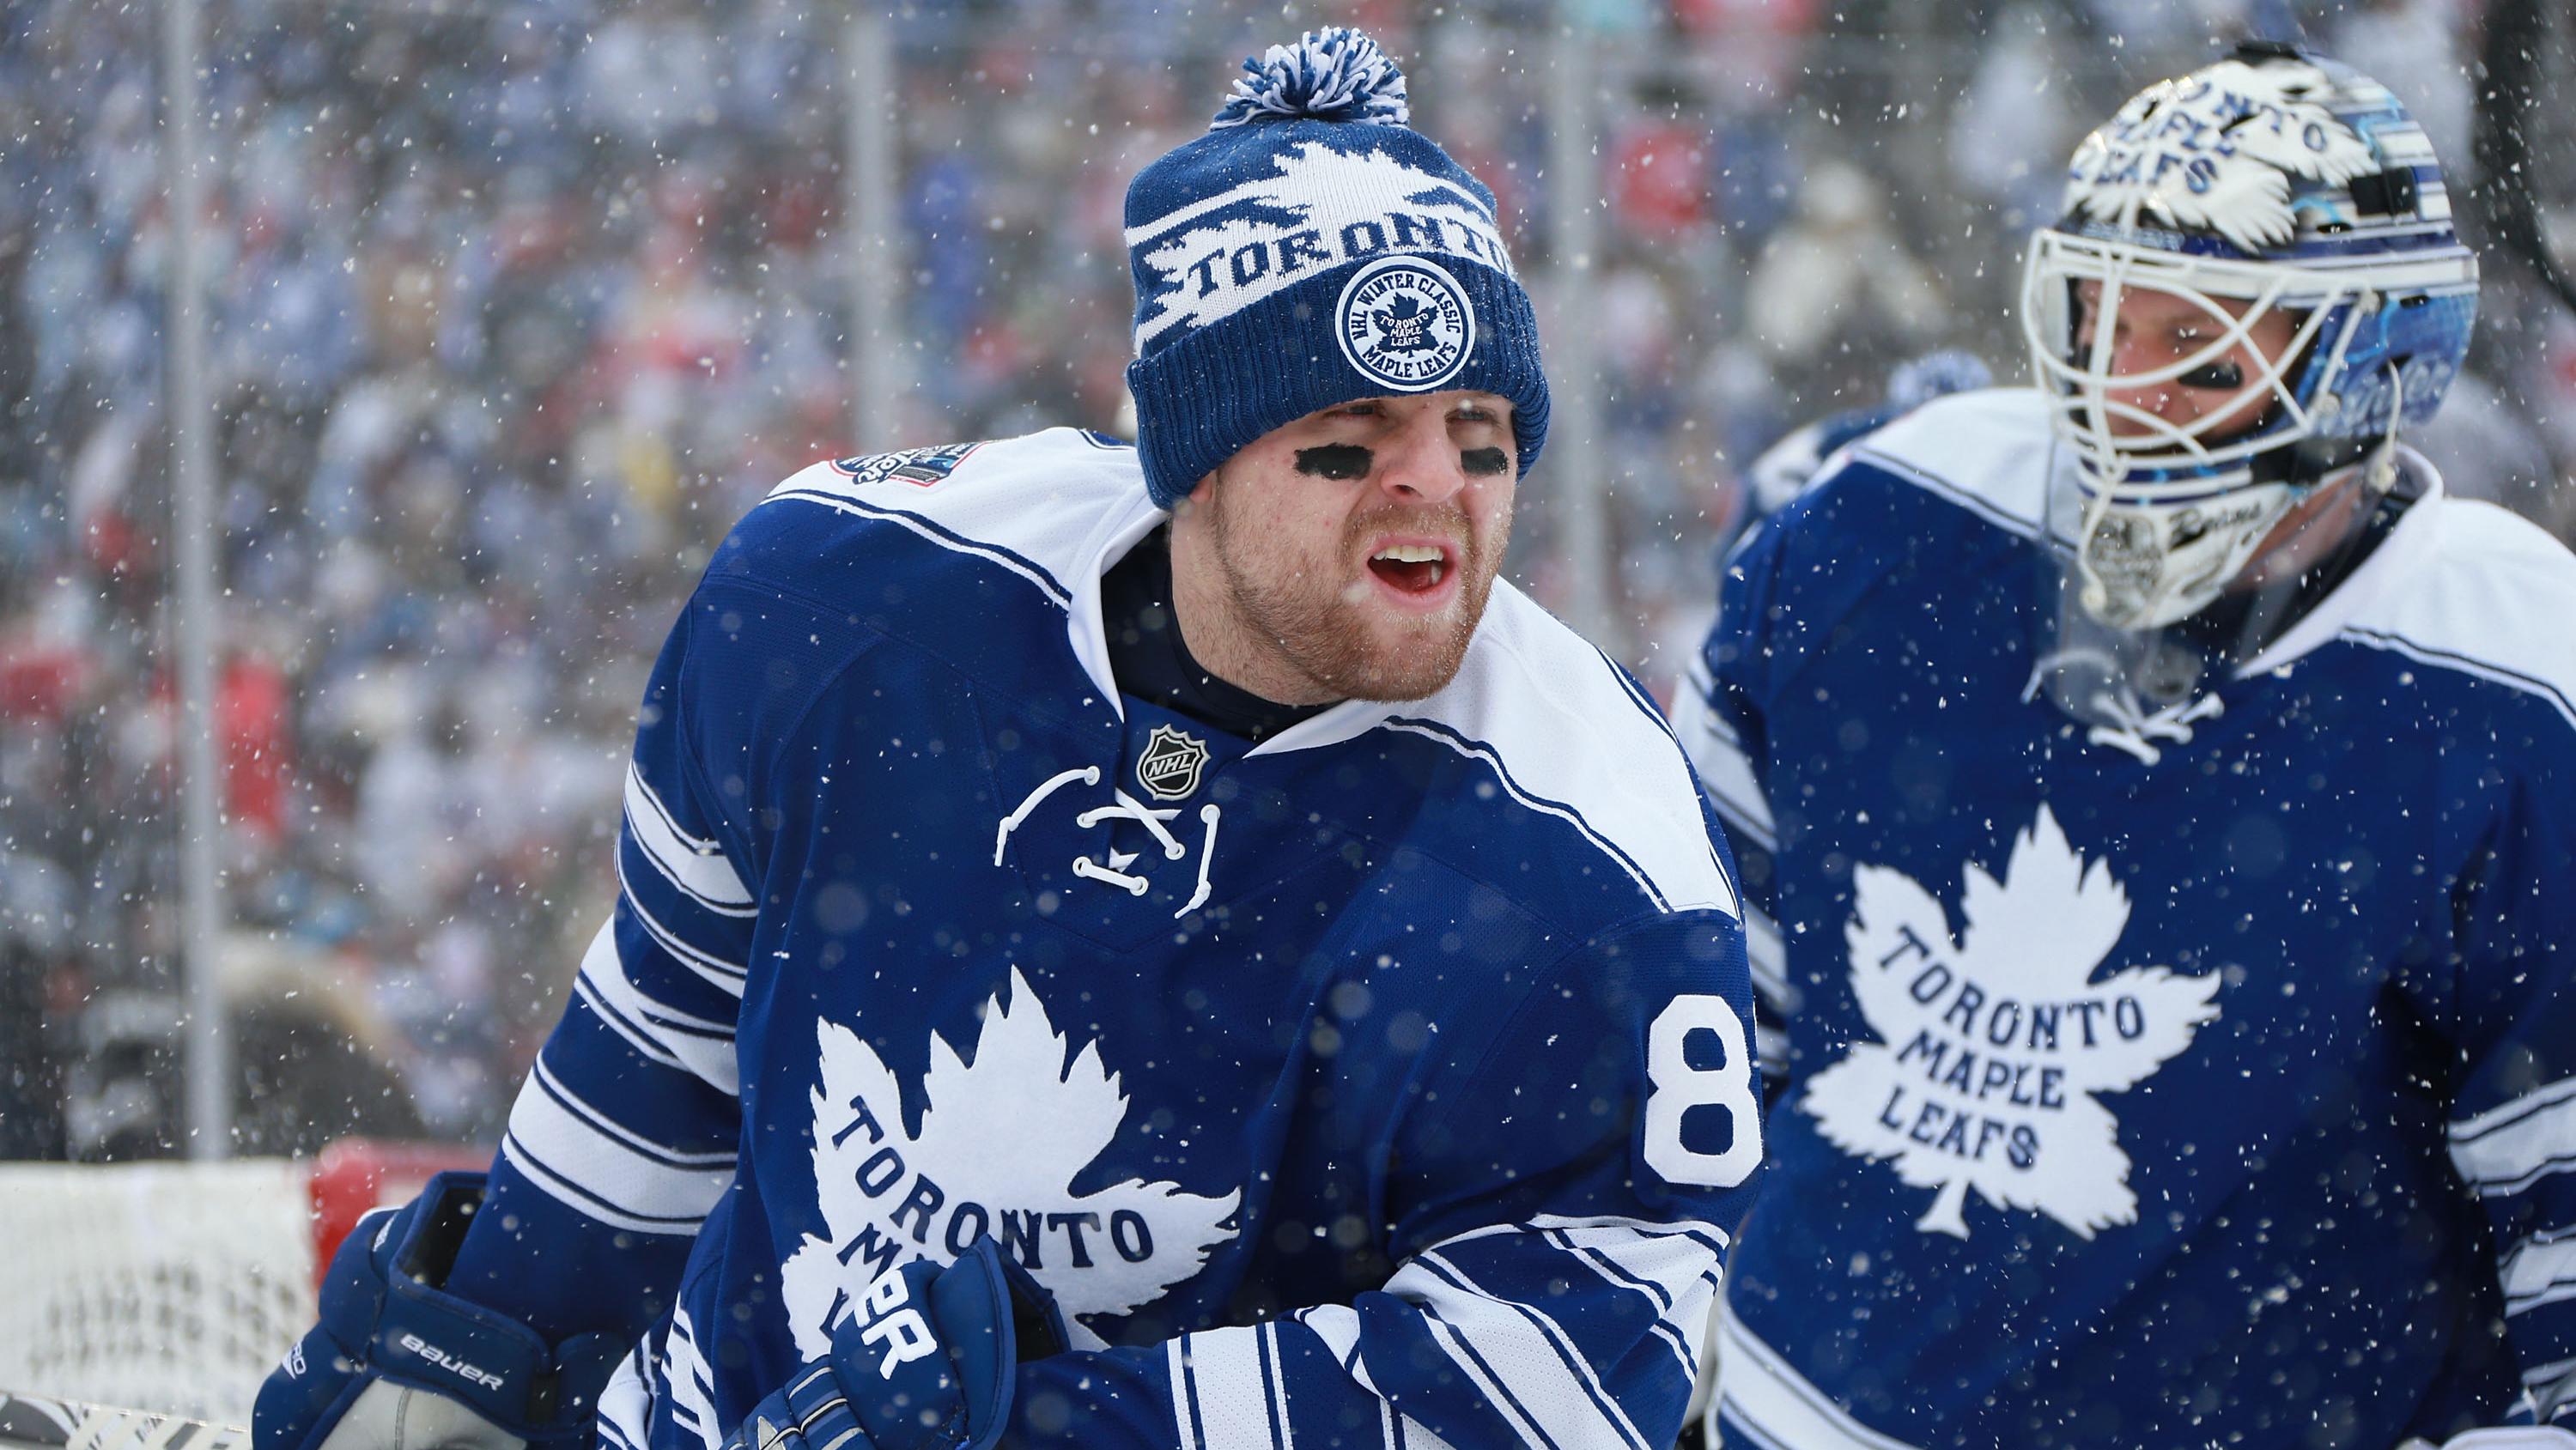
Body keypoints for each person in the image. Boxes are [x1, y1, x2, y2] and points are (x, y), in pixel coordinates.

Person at [255, 28, 1763, 1450]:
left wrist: (1033, 1425)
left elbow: (1562, 1378)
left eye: (1482, 435)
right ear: (1197, 459)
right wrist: (494, 1341)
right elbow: (669, 1034)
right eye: (1349, 441)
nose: (1434, 487)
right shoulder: (844, 593)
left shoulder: (1596, 854)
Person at [1675, 43, 2576, 1448]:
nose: (2119, 392)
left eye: (2194, 344)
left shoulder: (2509, 686)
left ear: (2365, 365)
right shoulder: (1890, 522)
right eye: (2100, 319)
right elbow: (1689, 1016)